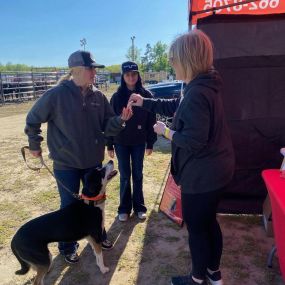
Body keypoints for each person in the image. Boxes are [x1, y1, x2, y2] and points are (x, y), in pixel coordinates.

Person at [129, 30, 235, 285]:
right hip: (218, 170)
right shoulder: (203, 85)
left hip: (203, 175)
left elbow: (194, 142)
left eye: (174, 59)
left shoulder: (198, 92)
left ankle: (197, 279)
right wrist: (145, 101)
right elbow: (177, 105)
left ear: (187, 59)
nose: (172, 64)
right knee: (209, 222)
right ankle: (213, 273)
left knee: (198, 228)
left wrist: (165, 131)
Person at [24, 50, 132, 264]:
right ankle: (67, 246)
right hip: (66, 164)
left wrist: (120, 120)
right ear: (77, 70)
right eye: (91, 68)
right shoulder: (56, 95)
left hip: (93, 162)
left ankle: (99, 236)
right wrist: (34, 144)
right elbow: (33, 119)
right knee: (69, 208)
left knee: (97, 206)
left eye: (94, 69)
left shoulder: (99, 97)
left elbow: (108, 125)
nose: (94, 72)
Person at [107, 61, 157, 222]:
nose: (131, 77)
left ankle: (139, 207)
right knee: (125, 175)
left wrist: (150, 143)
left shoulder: (146, 95)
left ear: (138, 75)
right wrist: (109, 144)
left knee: (137, 174)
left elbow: (151, 120)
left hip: (138, 142)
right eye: (127, 74)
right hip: (121, 142)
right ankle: (124, 208)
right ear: (123, 76)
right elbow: (109, 122)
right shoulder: (116, 97)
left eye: (134, 74)